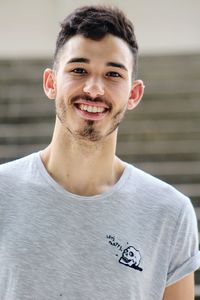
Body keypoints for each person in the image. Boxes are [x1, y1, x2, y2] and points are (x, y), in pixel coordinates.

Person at [0, 5, 199, 300]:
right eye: (79, 70)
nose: (94, 89)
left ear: (134, 94)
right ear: (50, 83)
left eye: (113, 74)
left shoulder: (170, 212)